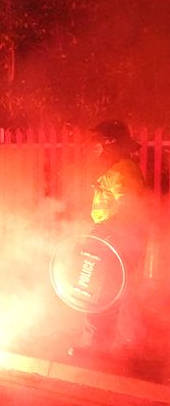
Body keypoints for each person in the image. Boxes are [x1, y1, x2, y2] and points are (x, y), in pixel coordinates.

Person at [68, 119, 149, 360]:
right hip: (113, 240)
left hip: (116, 242)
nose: (94, 150)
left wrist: (104, 233)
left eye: (98, 145)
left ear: (109, 145)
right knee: (106, 292)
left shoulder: (122, 170)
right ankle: (110, 346)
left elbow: (129, 207)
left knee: (100, 291)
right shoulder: (116, 170)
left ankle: (98, 347)